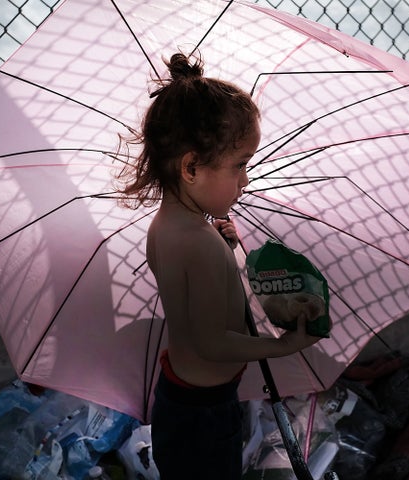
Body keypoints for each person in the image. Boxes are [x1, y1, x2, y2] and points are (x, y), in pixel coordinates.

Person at [116, 51, 325, 479]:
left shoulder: (168, 227)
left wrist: (223, 248)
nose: (245, 180)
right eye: (240, 165)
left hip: (180, 404)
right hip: (206, 416)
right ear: (191, 167)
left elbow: (195, 301)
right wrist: (280, 346)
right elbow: (213, 343)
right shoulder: (200, 241)